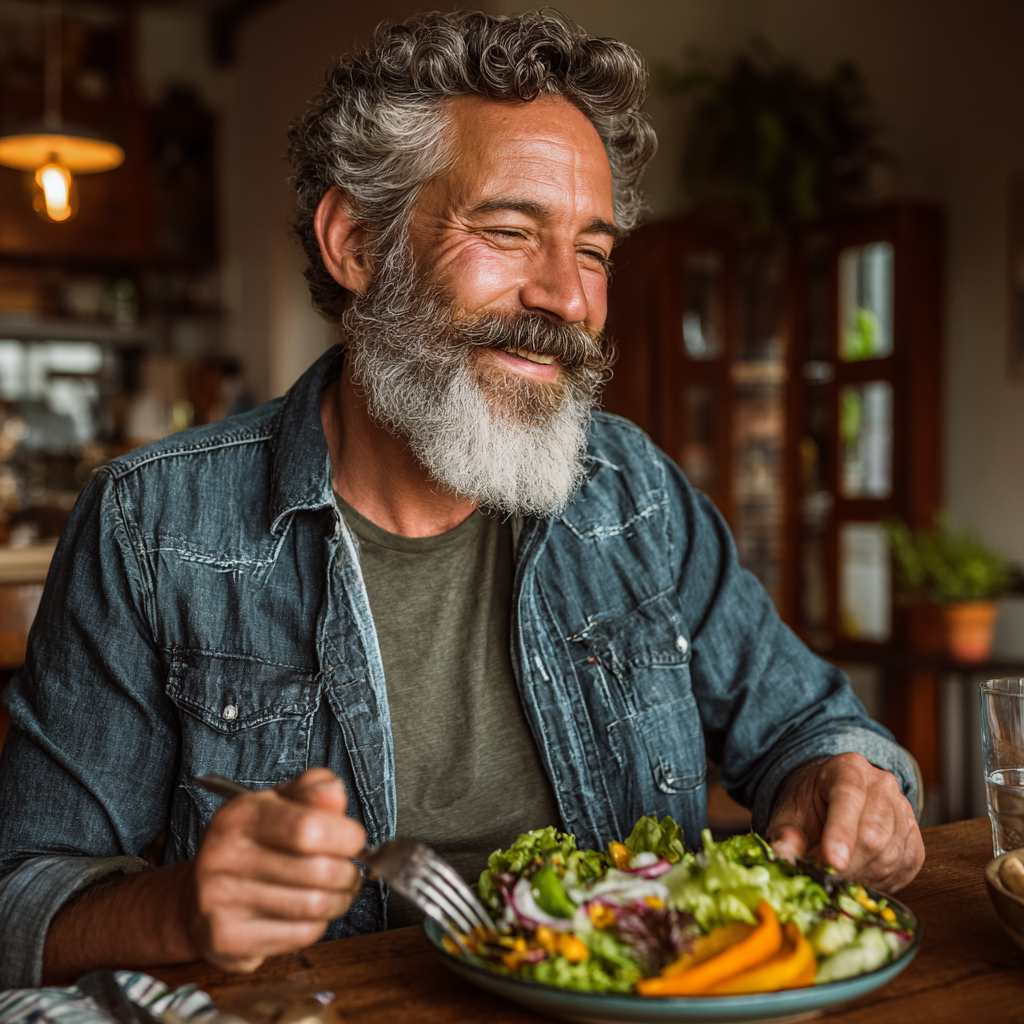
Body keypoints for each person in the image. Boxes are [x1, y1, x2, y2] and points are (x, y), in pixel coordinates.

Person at [0, 10, 923, 989]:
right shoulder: (154, 527)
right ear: (356, 242)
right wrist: (180, 907)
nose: (567, 296)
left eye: (595, 250)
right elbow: (21, 898)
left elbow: (814, 733)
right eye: (510, 231)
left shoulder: (632, 492)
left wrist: (845, 782)